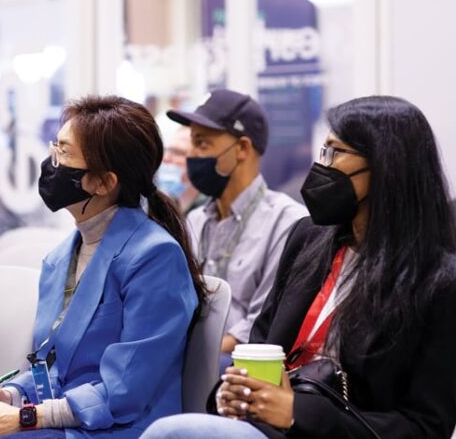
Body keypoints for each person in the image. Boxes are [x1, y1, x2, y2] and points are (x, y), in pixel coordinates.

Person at [142, 96, 456, 439]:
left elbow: (426, 426)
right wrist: (231, 392)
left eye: (335, 153)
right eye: (323, 151)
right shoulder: (309, 239)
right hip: (265, 423)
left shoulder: (437, 282)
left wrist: (297, 413)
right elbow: (261, 342)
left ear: (385, 166)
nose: (322, 165)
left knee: (169, 433)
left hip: (328, 431)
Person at [0, 96, 203, 438]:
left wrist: (26, 417)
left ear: (104, 182)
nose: (51, 163)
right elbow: (56, 367)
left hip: (122, 427)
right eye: (55, 148)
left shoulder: (155, 257)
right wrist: (10, 395)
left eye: (64, 154)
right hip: (69, 420)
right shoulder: (61, 257)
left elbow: (127, 389)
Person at [167, 89, 306, 361]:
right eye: (192, 143)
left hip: (241, 366)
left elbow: (265, 322)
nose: (191, 154)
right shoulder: (195, 220)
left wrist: (194, 356)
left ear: (242, 148)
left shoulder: (288, 223)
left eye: (202, 143)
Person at [156, 126, 207, 216]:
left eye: (178, 153)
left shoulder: (208, 210)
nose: (166, 158)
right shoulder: (147, 202)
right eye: (166, 150)